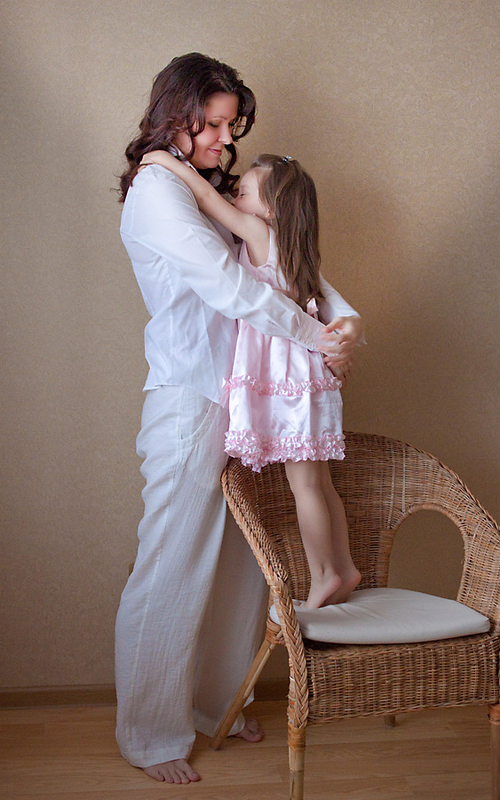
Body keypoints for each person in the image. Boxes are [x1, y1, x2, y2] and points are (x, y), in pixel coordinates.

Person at [116, 52, 364, 785]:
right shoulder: (157, 192)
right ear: (178, 115)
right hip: (191, 397)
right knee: (171, 562)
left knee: (238, 563)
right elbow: (231, 288)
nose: (227, 140)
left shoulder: (211, 190)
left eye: (232, 126)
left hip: (250, 400)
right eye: (216, 125)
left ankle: (212, 703)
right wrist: (315, 338)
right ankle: (148, 732)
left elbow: (288, 263)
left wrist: (344, 326)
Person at [141, 149, 362, 610]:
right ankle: (343, 568)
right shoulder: (296, 250)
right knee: (321, 483)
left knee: (304, 486)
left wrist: (167, 162)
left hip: (287, 377)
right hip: (308, 373)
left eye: (244, 192)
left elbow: (206, 198)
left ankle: (323, 575)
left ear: (271, 209)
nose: (235, 197)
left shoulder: (259, 233)